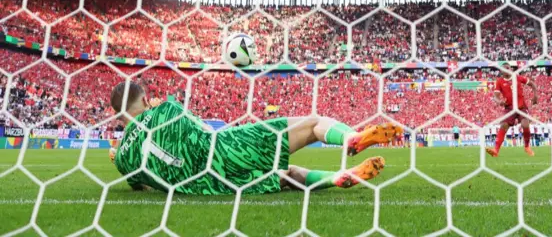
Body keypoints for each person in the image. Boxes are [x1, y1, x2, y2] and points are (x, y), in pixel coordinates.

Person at [108, 82, 403, 195]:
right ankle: (350, 136)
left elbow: (140, 186)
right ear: (146, 98)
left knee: (284, 176)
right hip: (224, 148)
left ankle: (336, 178)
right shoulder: (167, 107)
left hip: (207, 186)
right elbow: (202, 132)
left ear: (117, 114)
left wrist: (121, 152)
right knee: (312, 123)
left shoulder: (123, 159)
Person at [486, 64, 538, 157]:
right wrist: (499, 102)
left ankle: (527, 147)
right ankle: (496, 150)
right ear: (501, 71)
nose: (506, 69)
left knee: (525, 124)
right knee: (504, 125)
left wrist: (535, 95)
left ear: (511, 69)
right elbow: (495, 96)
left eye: (508, 68)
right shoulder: (499, 82)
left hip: (521, 107)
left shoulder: (517, 77)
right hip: (509, 108)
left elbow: (532, 84)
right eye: (504, 68)